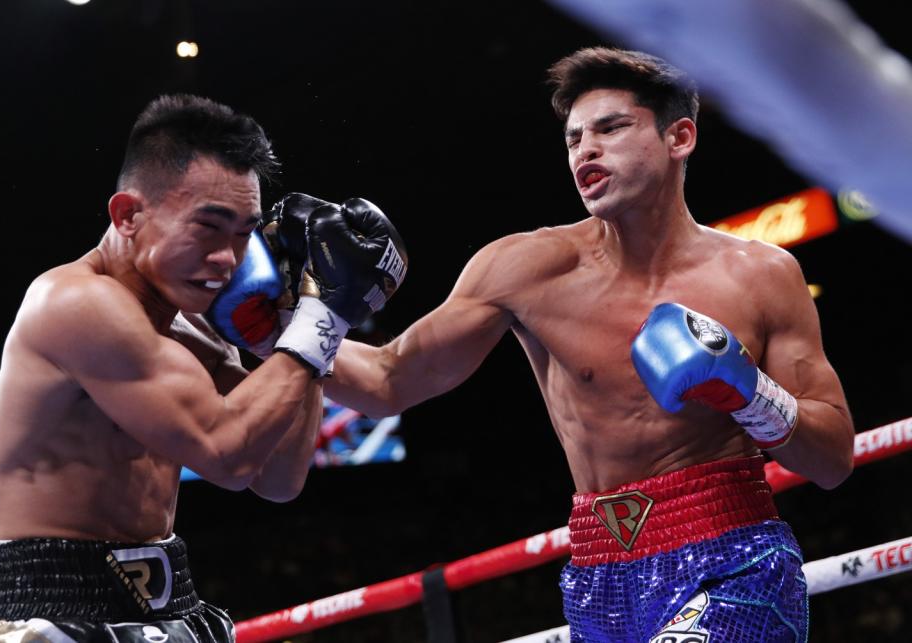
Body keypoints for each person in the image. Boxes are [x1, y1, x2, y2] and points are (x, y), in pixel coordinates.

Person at [322, 48, 854, 642]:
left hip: (733, 559)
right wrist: (277, 328)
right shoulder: (524, 269)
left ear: (679, 137)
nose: (585, 151)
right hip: (599, 574)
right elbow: (387, 381)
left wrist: (748, 391)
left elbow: (831, 460)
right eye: (574, 138)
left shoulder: (761, 276)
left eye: (611, 128)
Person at [0, 94, 405, 643]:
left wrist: (301, 319)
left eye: (245, 232)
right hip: (51, 616)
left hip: (174, 611)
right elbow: (227, 453)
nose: (228, 257)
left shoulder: (188, 329)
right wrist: (323, 317)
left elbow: (278, 476)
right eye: (208, 227)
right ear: (128, 214)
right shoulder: (73, 304)